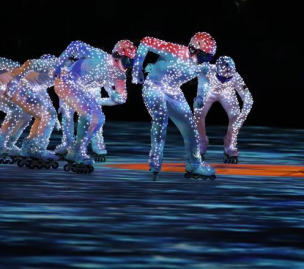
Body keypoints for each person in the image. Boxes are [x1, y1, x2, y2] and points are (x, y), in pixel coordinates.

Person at [132, 32, 217, 180]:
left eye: (209, 57)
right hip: (153, 86)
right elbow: (146, 41)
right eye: (203, 56)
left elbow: (204, 80)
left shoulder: (202, 66)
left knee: (190, 128)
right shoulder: (174, 50)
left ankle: (194, 164)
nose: (205, 60)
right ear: (193, 48)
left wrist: (200, 97)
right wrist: (137, 67)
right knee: (161, 120)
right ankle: (155, 162)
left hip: (173, 91)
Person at [54, 39, 135, 173]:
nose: (128, 66)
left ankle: (76, 149)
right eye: (127, 61)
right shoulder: (98, 55)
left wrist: (113, 98)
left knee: (99, 119)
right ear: (117, 54)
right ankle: (72, 147)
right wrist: (58, 65)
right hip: (66, 82)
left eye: (131, 63)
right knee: (79, 114)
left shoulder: (119, 75)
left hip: (82, 90)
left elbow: (122, 98)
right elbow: (75, 44)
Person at [193, 56, 253, 163]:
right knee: (198, 113)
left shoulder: (236, 77)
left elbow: (248, 98)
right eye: (222, 77)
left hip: (227, 94)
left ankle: (230, 143)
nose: (225, 79)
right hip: (208, 92)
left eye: (228, 78)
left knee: (235, 114)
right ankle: (201, 141)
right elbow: (201, 84)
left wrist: (243, 116)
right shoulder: (208, 70)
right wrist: (200, 97)